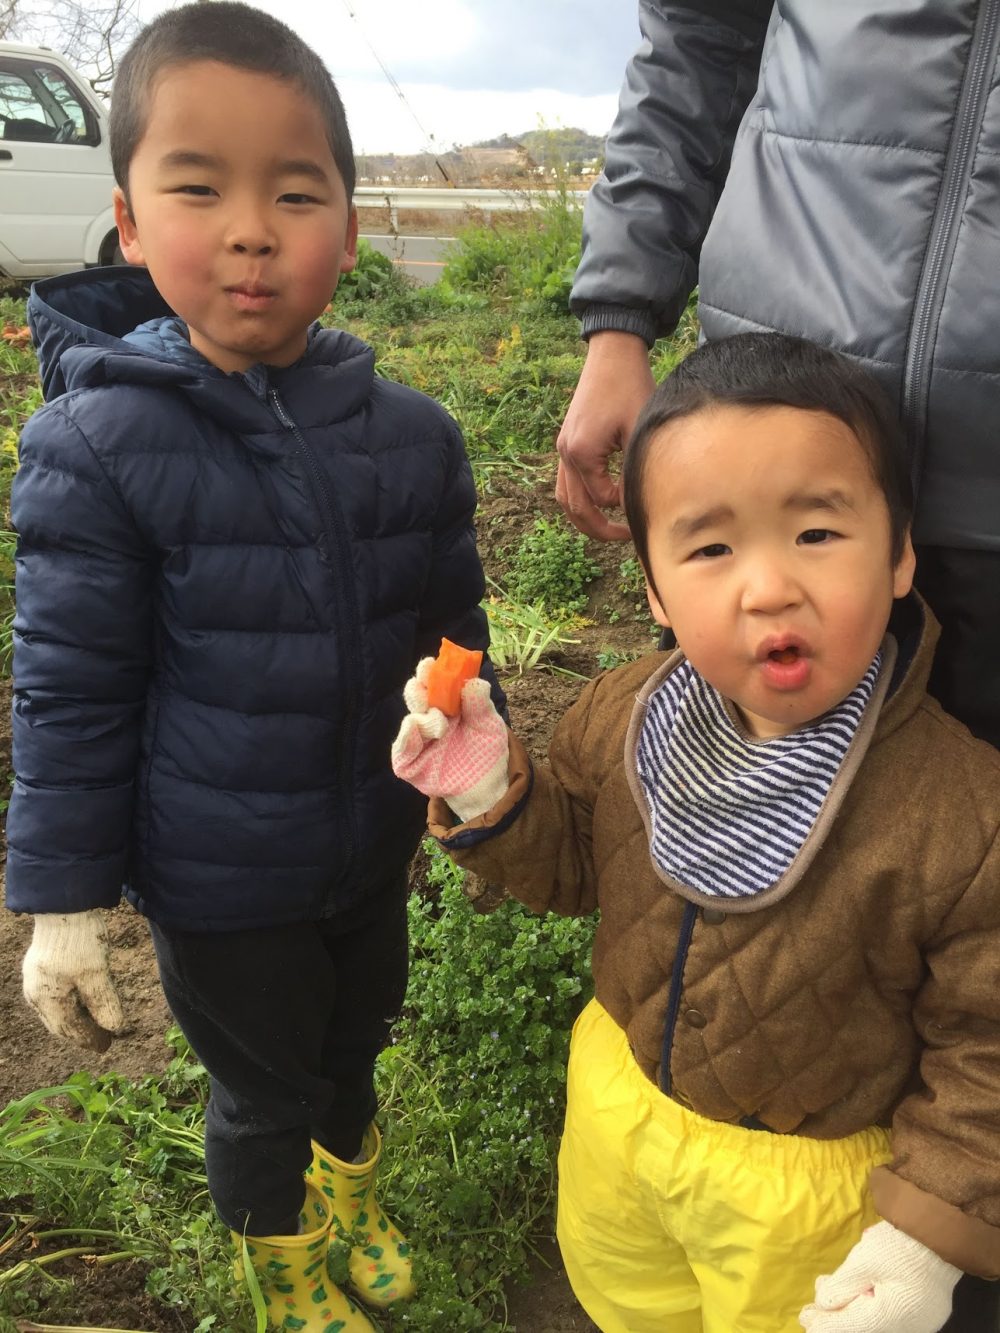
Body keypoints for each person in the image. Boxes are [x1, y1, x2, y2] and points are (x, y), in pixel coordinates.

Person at [6, 5, 500, 1330]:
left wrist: (464, 747)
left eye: (295, 190)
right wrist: (62, 901)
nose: (249, 227)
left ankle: (355, 1196)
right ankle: (282, 1274)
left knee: (354, 1044)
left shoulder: (414, 434)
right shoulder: (94, 445)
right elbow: (71, 690)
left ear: (347, 220)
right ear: (126, 217)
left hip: (365, 845)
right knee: (262, 1090)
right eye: (198, 186)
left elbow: (454, 629)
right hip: (218, 875)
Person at [391, 334, 1000, 1333]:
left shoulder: (961, 813)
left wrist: (922, 1235)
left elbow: (984, 1049)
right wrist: (488, 789)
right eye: (710, 548)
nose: (766, 587)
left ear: (898, 555)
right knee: (630, 1304)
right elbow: (579, 867)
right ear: (657, 589)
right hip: (622, 1122)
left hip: (806, 1194)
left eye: (816, 533)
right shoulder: (625, 715)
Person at [557, 2, 1000, 764]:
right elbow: (699, 37)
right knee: (693, 803)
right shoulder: (604, 730)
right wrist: (619, 319)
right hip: (753, 435)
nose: (767, 594)